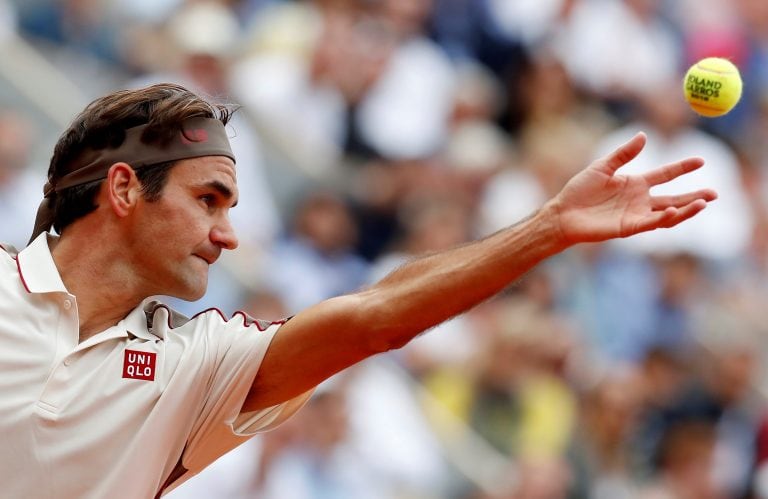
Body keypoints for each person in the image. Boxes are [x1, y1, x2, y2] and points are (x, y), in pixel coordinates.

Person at [0, 83, 716, 498]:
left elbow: (376, 319)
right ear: (124, 188)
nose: (229, 234)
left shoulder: (199, 363)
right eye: (209, 199)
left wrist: (547, 229)